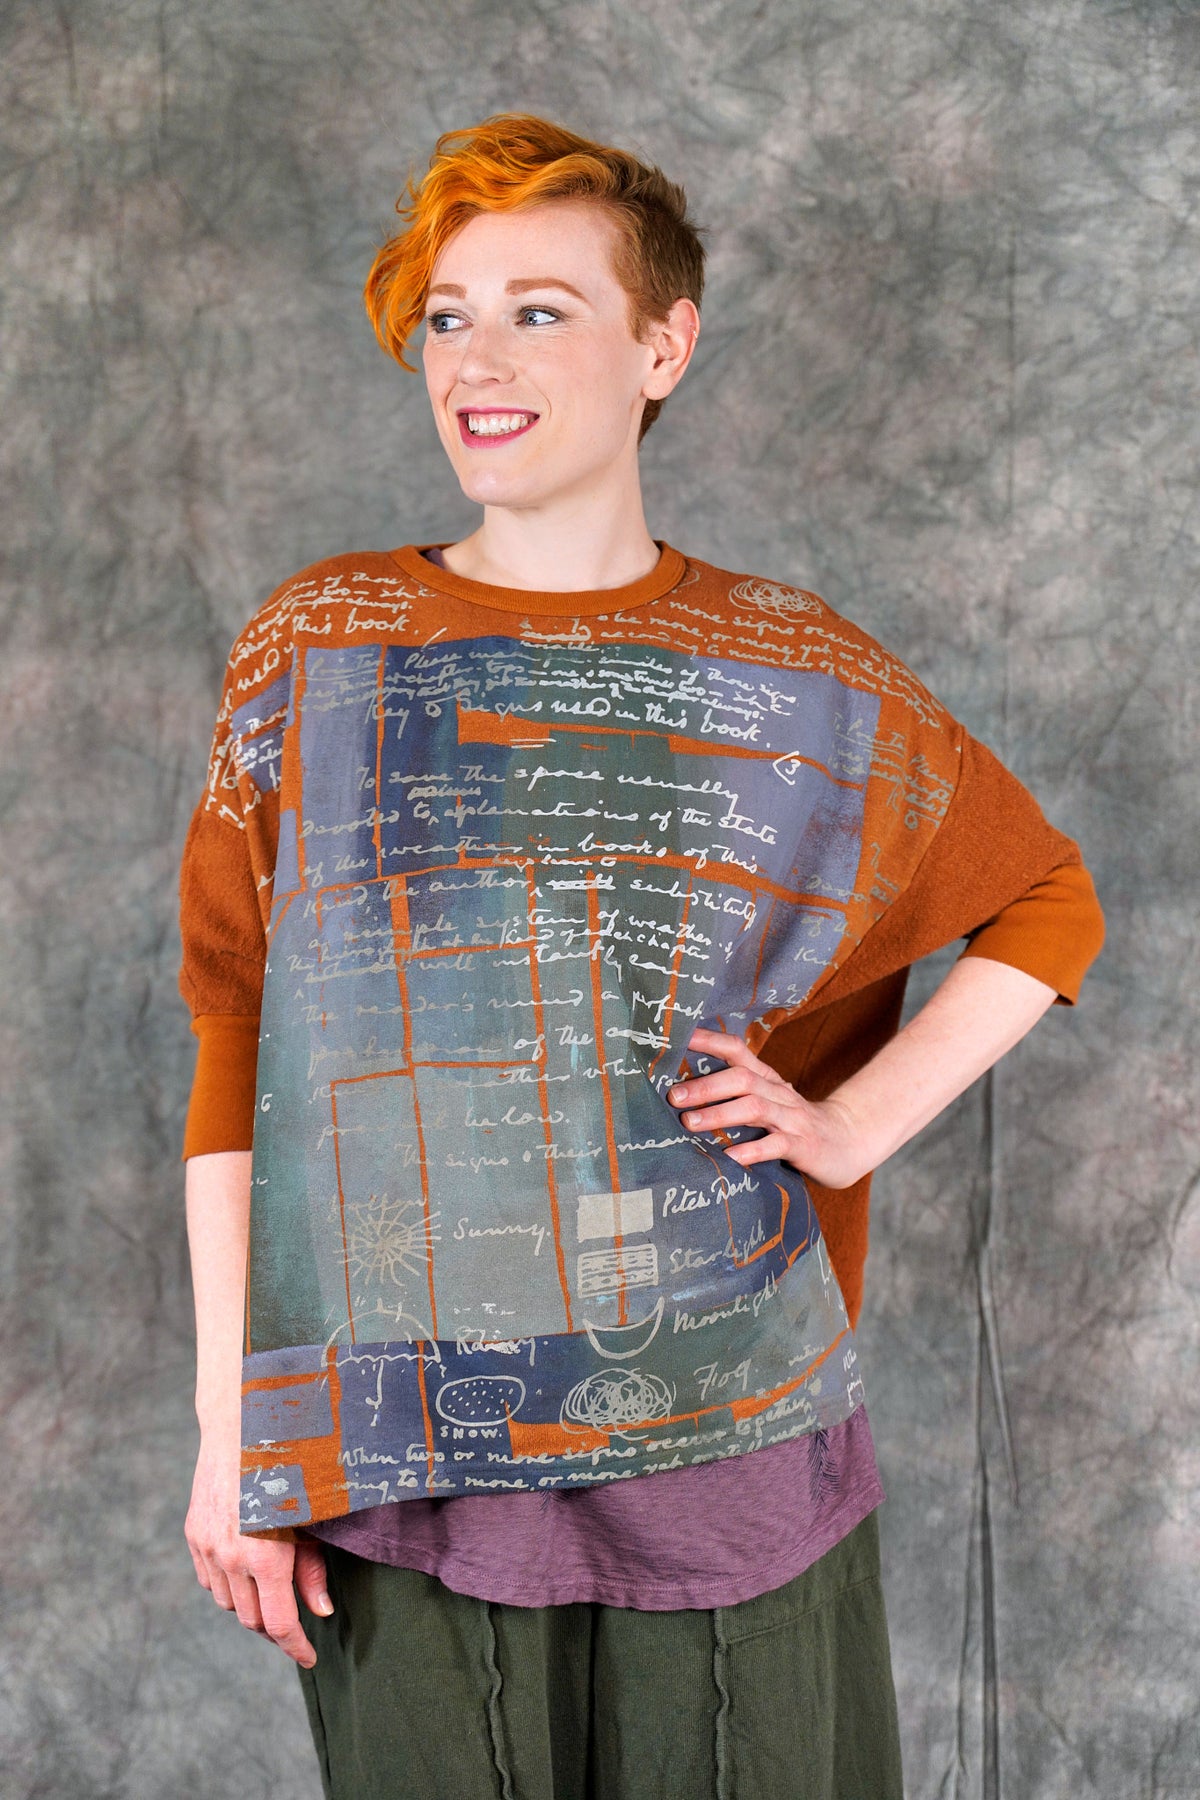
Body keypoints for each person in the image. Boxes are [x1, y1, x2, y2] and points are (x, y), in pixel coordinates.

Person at [178, 114, 1104, 1800]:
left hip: (722, 1436)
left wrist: (850, 1125)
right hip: (400, 1442)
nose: (477, 361)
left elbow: (1045, 896)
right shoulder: (316, 647)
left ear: (662, 346)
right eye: (449, 317)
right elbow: (243, 1037)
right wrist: (234, 1430)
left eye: (540, 312)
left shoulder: (794, 669)